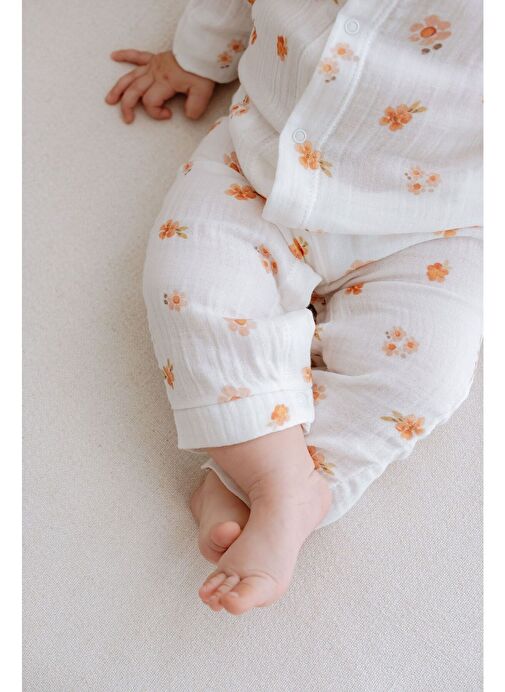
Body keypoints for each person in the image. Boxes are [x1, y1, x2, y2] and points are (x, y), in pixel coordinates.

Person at [106, 0, 482, 615]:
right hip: (270, 157)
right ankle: (280, 484)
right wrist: (197, 56)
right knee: (190, 289)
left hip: (440, 219)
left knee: (423, 376)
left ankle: (251, 478)